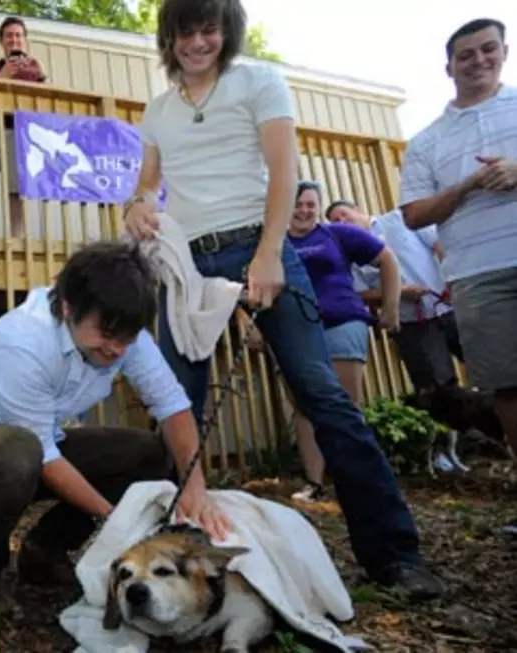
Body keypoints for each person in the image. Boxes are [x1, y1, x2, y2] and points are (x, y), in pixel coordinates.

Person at [124, 0, 441, 598]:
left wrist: (269, 253)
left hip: (259, 244)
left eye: (208, 29)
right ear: (169, 37)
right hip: (189, 265)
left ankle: (395, 556)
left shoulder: (259, 80)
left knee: (322, 394)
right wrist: (137, 204)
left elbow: (283, 172)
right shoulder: (158, 110)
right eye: (184, 31)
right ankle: (163, 557)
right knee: (176, 403)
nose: (197, 42)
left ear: (227, 31)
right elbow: (146, 185)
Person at [0, 241, 231, 586]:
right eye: (107, 335)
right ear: (68, 308)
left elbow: (173, 405)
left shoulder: (124, 334)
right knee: (19, 451)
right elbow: (45, 457)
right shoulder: (23, 341)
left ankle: (44, 550)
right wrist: (118, 523)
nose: (116, 349)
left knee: (148, 453)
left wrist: (195, 486)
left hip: (32, 450)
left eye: (127, 338)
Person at [399, 17, 517, 464]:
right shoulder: (427, 141)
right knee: (507, 385)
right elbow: (413, 213)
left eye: (488, 49)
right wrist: (468, 186)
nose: (478, 61)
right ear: (449, 68)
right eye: (465, 55)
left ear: (505, 51)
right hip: (476, 274)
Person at [286, 181, 401, 503]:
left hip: (342, 320)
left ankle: (361, 481)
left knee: (344, 403)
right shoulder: (272, 243)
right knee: (302, 405)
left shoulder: (336, 234)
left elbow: (387, 259)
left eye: (311, 204)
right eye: (298, 204)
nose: (304, 210)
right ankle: (314, 482)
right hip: (293, 328)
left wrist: (391, 309)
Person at [326, 199, 464, 393]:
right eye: (335, 221)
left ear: (358, 209)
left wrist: (452, 282)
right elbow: (361, 293)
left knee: (488, 363)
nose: (341, 221)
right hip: (411, 323)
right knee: (439, 387)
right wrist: (402, 291)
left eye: (343, 214)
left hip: (451, 305)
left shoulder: (400, 218)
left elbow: (439, 244)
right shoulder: (349, 252)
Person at [0, 16, 48, 238]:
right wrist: (3, 76)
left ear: (25, 41)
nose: (15, 40)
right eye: (10, 36)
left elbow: (46, 104)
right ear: (2, 42)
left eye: (19, 36)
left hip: (20, 133)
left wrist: (41, 75)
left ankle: (17, 239)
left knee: (17, 190)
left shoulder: (34, 72)